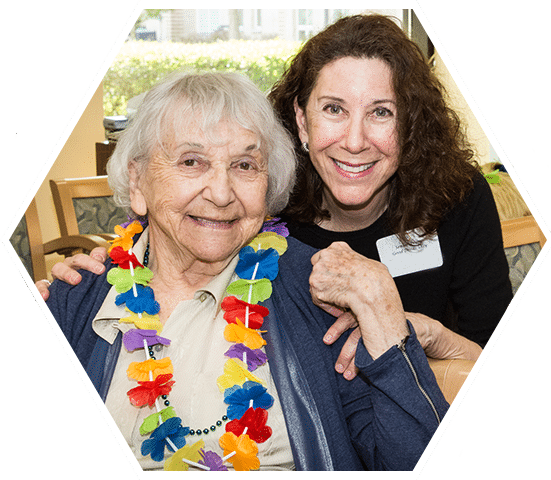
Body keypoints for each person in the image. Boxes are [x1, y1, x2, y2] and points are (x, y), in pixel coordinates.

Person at [39, 14, 512, 377]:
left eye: (382, 112)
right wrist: (78, 288)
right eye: (333, 109)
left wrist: (425, 334)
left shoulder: (458, 198)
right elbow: (162, 248)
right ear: (302, 121)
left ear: (411, 124)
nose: (354, 140)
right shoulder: (257, 203)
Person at [45, 71, 448, 471]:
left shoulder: (317, 295)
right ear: (137, 181)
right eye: (191, 161)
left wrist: (383, 313)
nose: (221, 194)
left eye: (244, 165)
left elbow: (414, 461)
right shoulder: (75, 299)